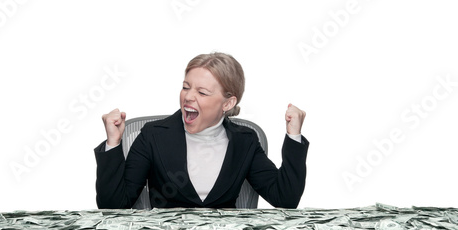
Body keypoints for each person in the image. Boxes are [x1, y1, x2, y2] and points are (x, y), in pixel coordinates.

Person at [95, 52, 308, 209]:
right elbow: (114, 206)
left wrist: (294, 135)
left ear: (227, 103)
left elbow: (285, 199)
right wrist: (113, 142)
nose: (188, 97)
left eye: (202, 92)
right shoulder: (153, 135)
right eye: (186, 87)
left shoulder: (245, 141)